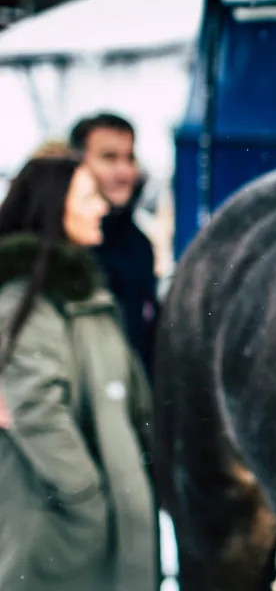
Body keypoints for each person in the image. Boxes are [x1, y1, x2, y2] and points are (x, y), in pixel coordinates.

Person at [0, 156, 158, 591]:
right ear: (53, 208)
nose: (102, 207)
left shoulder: (81, 293)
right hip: (64, 536)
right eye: (87, 196)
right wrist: (87, 500)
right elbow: (35, 408)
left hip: (96, 528)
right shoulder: (28, 301)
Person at [69, 113, 157, 372]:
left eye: (129, 158)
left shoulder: (139, 242)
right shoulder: (63, 244)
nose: (124, 171)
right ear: (79, 163)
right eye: (109, 157)